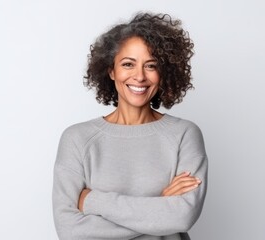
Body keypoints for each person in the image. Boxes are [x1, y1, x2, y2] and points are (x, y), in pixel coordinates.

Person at [52, 12, 208, 240]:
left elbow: (182, 217)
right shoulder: (77, 138)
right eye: (128, 64)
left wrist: (93, 200)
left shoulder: (184, 134)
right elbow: (70, 231)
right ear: (111, 70)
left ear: (163, 73)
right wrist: (160, 210)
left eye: (151, 66)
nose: (139, 76)